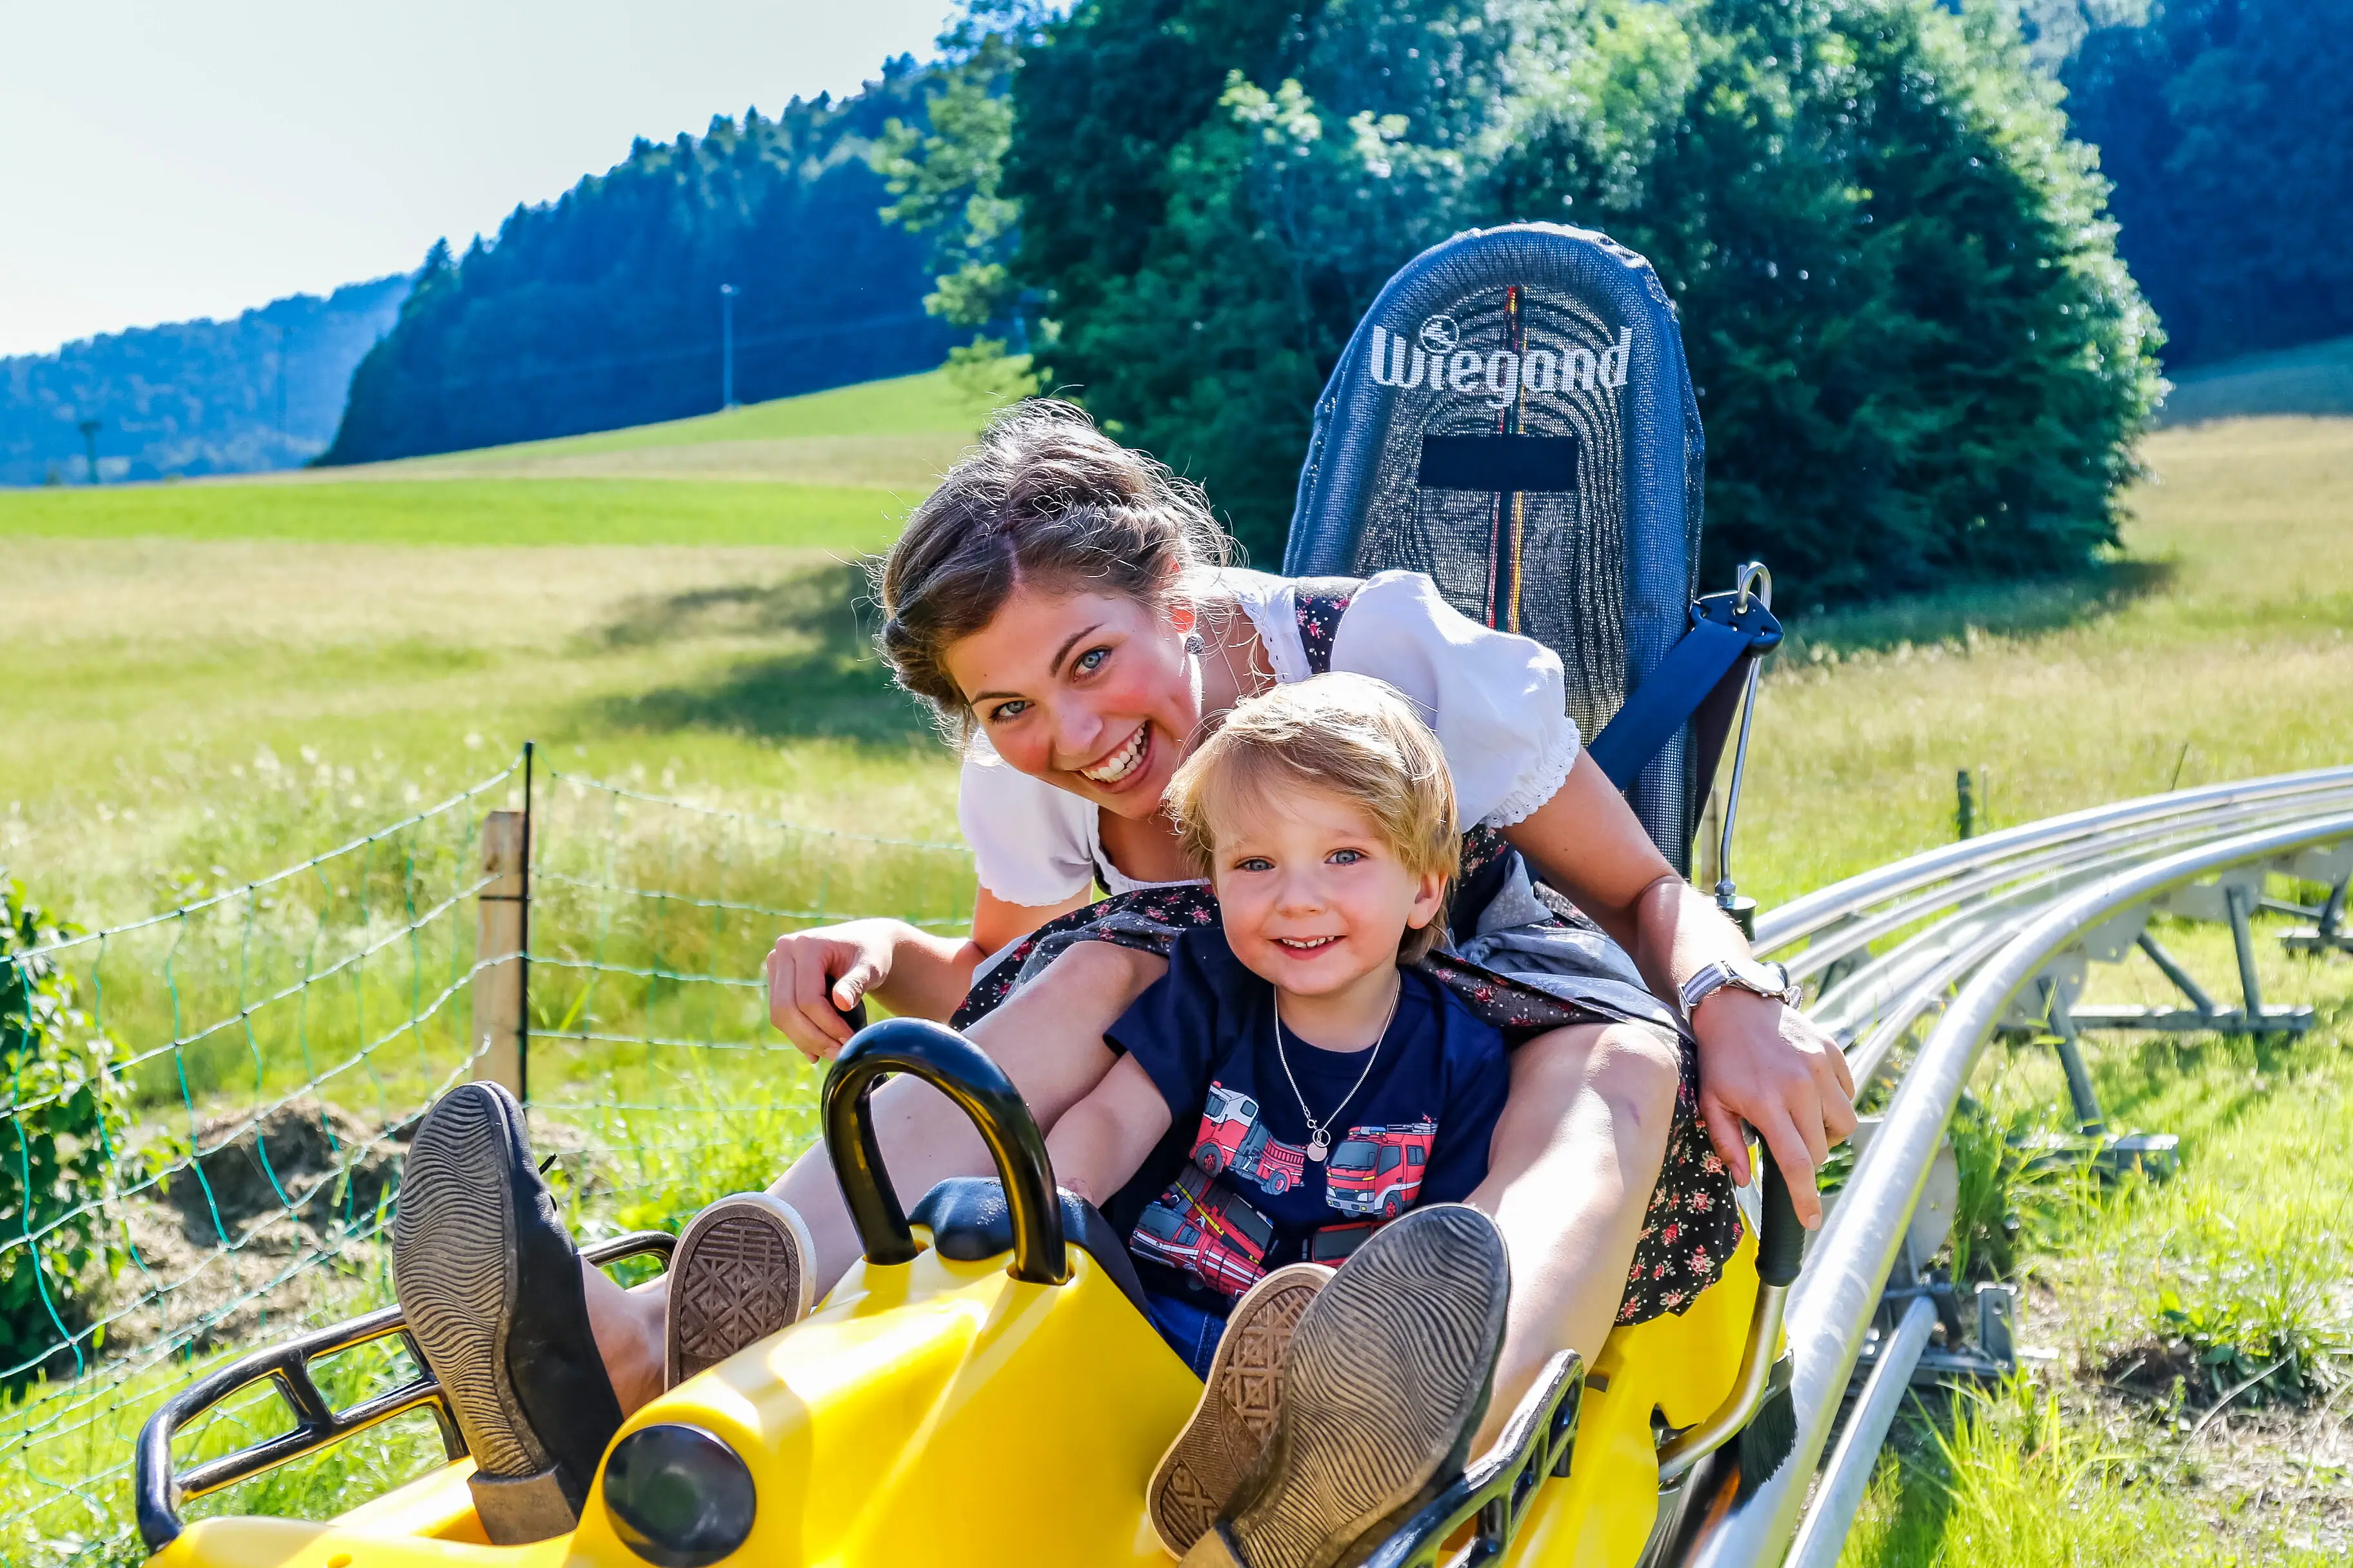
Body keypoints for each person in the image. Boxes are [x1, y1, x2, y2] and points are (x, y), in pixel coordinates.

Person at [391, 400, 1856, 1550]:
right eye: (1011, 705)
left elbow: (1644, 888)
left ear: (1175, 584)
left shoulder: (1393, 650)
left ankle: (1426, 1419)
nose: (1072, 734)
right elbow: (984, 980)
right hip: (1230, 1041)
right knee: (1074, 986)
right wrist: (882, 958)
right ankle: (649, 1354)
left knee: (1613, 1074)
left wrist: (1733, 1002)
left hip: (1469, 970)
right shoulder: (1035, 788)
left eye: (1092, 661)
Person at [1048, 674, 1511, 1560]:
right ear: (1215, 880)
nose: (1296, 897)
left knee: (1342, 1398)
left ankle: (1263, 1488)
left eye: (1344, 857)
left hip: (1318, 1369)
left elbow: (1439, 1252)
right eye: (1256, 864)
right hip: (1150, 1312)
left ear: (1423, 888)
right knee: (1055, 1327)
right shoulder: (1214, 986)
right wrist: (1057, 1198)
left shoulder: (1462, 1056)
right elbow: (1115, 1115)